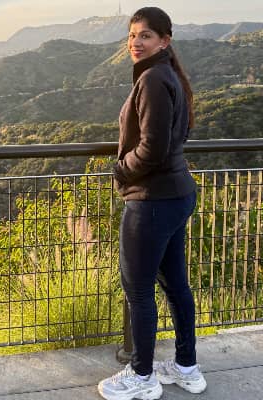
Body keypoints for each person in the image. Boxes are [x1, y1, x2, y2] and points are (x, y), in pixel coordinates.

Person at [98, 7, 207, 400]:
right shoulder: (170, 75)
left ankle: (142, 376)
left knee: (139, 289)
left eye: (145, 35)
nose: (136, 42)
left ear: (164, 40)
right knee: (176, 285)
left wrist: (121, 171)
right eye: (132, 35)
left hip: (152, 200)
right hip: (176, 195)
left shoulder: (153, 79)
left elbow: (153, 148)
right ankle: (186, 368)